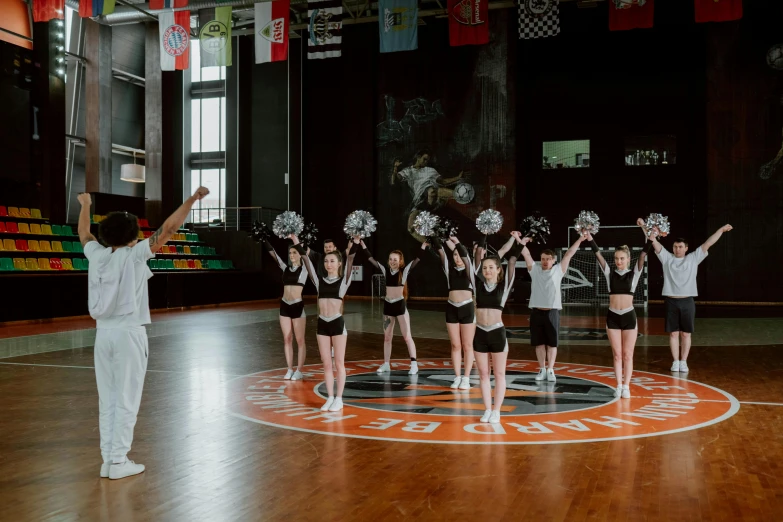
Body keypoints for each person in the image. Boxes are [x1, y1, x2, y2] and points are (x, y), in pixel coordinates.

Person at [78, 187, 209, 480]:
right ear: (132, 236)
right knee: (127, 398)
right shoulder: (135, 255)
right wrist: (191, 199)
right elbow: (169, 229)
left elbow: (84, 235)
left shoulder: (96, 255)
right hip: (128, 335)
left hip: (103, 336)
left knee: (108, 399)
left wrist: (85, 204)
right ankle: (119, 460)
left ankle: (108, 461)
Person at [643, 219, 733, 372]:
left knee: (685, 334)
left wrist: (721, 230)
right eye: (675, 247)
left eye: (680, 247)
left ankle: (683, 361)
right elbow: (652, 240)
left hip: (688, 302)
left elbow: (708, 243)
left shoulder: (693, 258)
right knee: (673, 334)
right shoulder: (667, 258)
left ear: (686, 248)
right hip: (671, 302)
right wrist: (643, 226)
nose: (677, 249)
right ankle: (675, 361)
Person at [297, 235, 360, 412]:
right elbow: (306, 261)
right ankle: (330, 397)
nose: (329, 264)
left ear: (339, 263)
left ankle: (339, 398)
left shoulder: (344, 282)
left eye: (332, 261)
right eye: (326, 261)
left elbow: (351, 258)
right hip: (322, 325)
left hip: (337, 325)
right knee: (326, 363)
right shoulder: (319, 282)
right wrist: (295, 240)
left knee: (338, 363)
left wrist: (355, 243)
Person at [587, 232, 652, 398]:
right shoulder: (609, 273)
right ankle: (617, 385)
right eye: (616, 258)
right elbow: (598, 255)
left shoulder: (635, 273)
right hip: (613, 317)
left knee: (628, 354)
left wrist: (651, 238)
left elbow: (643, 254)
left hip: (629, 316)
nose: (619, 261)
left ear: (628, 259)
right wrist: (590, 239)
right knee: (616, 355)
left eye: (622, 258)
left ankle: (626, 386)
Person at [516, 235, 586, 382]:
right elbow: (526, 253)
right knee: (539, 343)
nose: (545, 261)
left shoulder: (558, 270)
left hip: (552, 312)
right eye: (543, 259)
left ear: (553, 260)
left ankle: (551, 369)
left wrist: (579, 240)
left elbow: (569, 254)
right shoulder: (534, 270)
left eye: (548, 258)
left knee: (552, 343)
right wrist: (520, 240)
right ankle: (542, 369)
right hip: (536, 312)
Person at [473, 231, 523, 424]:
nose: (487, 270)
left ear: (498, 270)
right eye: (485, 268)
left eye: (491, 267)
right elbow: (478, 255)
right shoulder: (477, 285)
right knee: (483, 374)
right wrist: (484, 235)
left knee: (499, 374)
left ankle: (497, 410)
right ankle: (487, 409)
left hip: (496, 333)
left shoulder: (504, 287)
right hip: (479, 333)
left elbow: (511, 261)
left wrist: (519, 242)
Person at [362, 241, 426, 375]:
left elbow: (417, 259)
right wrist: (362, 245)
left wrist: (423, 246)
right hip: (388, 306)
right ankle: (386, 364)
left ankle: (414, 364)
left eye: (395, 260)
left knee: (407, 336)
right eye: (390, 259)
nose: (392, 261)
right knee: (387, 337)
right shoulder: (385, 270)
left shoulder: (404, 271)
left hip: (400, 306)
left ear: (400, 261)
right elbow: (371, 259)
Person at [431, 234, 476, 390]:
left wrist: (458, 244)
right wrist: (433, 234)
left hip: (467, 308)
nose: (457, 258)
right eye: (455, 255)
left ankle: (466, 377)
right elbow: (441, 251)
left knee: (467, 345)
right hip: (451, 308)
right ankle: (457, 376)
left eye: (460, 255)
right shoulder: (449, 269)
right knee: (455, 345)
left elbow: (465, 255)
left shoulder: (470, 269)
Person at [262, 238, 309, 380]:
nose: (292, 255)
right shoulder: (285, 268)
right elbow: (274, 254)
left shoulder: (305, 269)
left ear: (300, 254)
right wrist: (265, 239)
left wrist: (302, 243)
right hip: (284, 306)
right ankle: (289, 369)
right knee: (287, 338)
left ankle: (299, 370)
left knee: (300, 340)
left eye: (295, 252)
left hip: (297, 306)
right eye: (290, 253)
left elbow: (307, 254)